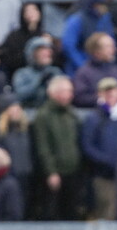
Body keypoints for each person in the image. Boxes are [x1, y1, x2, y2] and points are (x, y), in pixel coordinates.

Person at [81, 77, 117, 219]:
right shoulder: (94, 118)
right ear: (100, 94)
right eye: (106, 91)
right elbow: (88, 146)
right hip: (103, 176)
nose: (110, 94)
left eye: (113, 91)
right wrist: (108, 162)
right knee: (106, 211)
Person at [33, 76, 84, 220]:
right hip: (55, 174)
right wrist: (51, 172)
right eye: (66, 91)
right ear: (54, 93)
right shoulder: (43, 116)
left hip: (73, 173)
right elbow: (43, 147)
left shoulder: (72, 114)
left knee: (72, 212)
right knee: (52, 212)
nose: (70, 95)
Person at [0, 94, 34, 212]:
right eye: (13, 107)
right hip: (6, 181)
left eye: (18, 107)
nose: (17, 111)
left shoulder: (24, 129)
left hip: (26, 178)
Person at [73, 33, 117, 108]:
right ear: (96, 51)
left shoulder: (116, 70)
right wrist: (102, 99)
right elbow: (80, 98)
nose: (114, 50)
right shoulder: (83, 73)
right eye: (108, 47)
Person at [12, 36, 63, 107]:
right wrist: (39, 81)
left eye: (48, 50)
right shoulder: (22, 73)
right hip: (29, 111)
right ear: (32, 54)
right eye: (42, 51)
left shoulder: (55, 72)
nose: (47, 53)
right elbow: (20, 95)